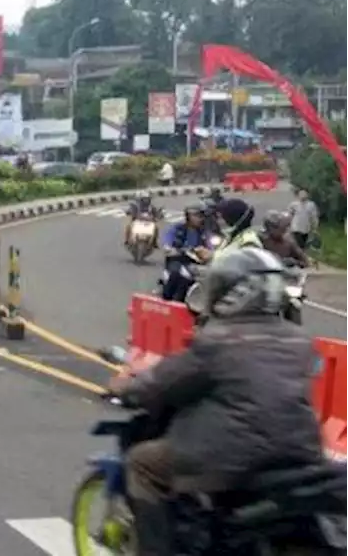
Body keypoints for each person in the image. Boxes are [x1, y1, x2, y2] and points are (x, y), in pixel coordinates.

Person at [105, 247, 324, 556]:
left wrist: (127, 388)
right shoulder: (300, 342)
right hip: (300, 452)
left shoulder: (218, 340)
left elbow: (162, 382)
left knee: (141, 464)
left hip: (229, 455)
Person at [160, 206, 210, 302]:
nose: (199, 219)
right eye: (196, 216)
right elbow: (167, 241)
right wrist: (169, 248)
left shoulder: (204, 231)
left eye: (200, 216)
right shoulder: (177, 228)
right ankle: (167, 298)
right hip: (177, 260)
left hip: (197, 263)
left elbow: (211, 245)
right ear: (188, 216)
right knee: (176, 274)